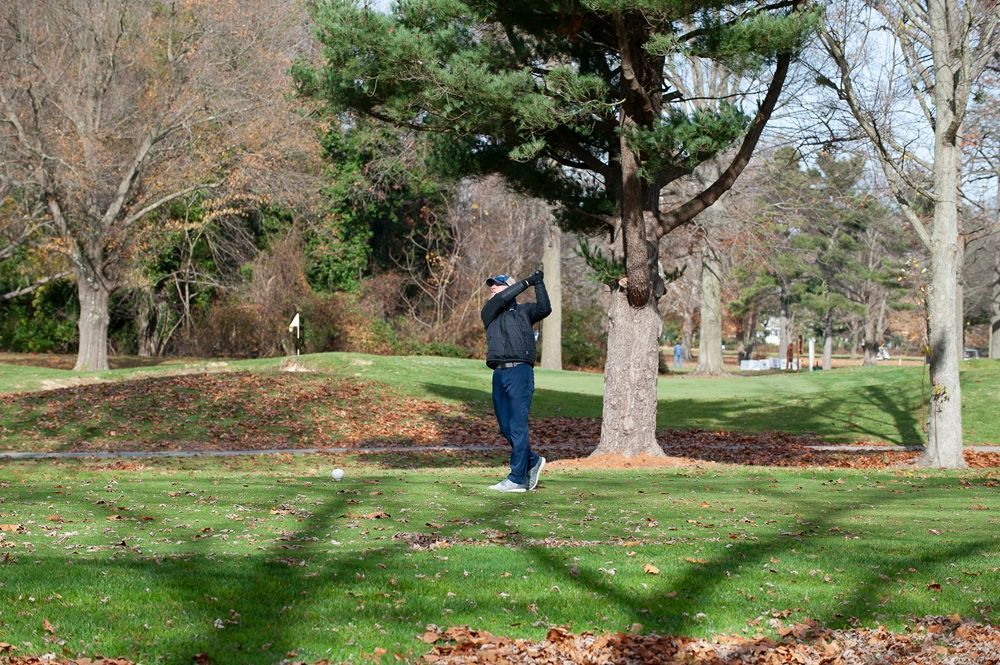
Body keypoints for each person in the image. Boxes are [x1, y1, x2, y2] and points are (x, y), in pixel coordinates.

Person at [481, 271, 551, 492]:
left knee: (518, 426)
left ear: (510, 288)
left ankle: (517, 479)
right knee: (506, 427)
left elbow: (545, 308)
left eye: (498, 284)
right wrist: (527, 281)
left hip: (520, 372)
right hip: (498, 373)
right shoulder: (489, 311)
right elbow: (502, 299)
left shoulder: (524, 311)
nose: (493, 287)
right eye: (492, 284)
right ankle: (532, 460)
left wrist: (538, 283)